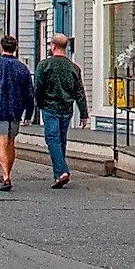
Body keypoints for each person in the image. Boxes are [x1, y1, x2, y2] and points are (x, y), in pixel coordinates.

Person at [0, 34, 37, 190]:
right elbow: (29, 93)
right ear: (15, 48)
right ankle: (7, 173)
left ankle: (5, 176)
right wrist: (28, 113)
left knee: (1, 143)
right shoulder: (22, 68)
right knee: (11, 143)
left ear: (1, 47)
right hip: (15, 110)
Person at [34, 33, 89, 189]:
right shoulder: (74, 68)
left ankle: (61, 171)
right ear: (66, 47)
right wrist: (84, 113)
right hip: (66, 108)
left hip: (49, 107)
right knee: (61, 140)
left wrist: (35, 107)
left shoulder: (44, 65)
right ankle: (59, 173)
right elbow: (79, 92)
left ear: (52, 46)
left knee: (52, 139)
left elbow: (38, 88)